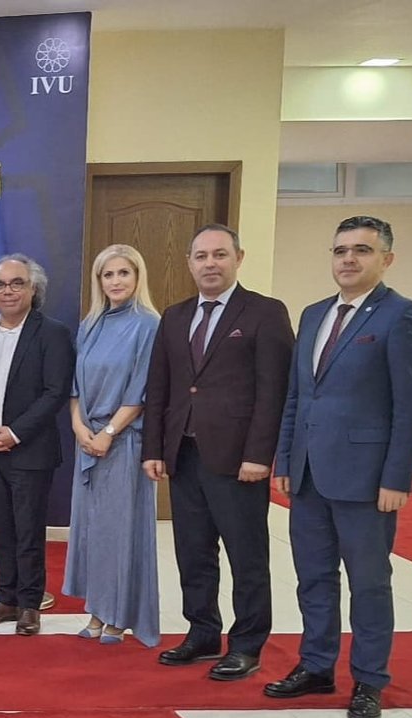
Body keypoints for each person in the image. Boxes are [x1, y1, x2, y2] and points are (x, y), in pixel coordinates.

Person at [265, 216, 412, 718]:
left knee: (369, 583)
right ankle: (317, 666)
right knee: (313, 578)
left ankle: (369, 679)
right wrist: (286, 459)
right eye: (340, 250)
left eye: (362, 250)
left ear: (387, 259)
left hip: (366, 479)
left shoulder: (401, 316)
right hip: (309, 475)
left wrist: (397, 478)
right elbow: (298, 396)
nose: (349, 259)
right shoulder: (314, 314)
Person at [142, 224, 293, 681]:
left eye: (220, 254)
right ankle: (202, 632)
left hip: (238, 460)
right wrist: (154, 448)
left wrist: (260, 454)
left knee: (246, 557)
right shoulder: (175, 316)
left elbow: (274, 391)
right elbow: (161, 387)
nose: (210, 263)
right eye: (201, 256)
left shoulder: (265, 313)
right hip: (184, 455)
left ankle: (247, 644)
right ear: (189, 263)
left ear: (238, 258)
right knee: (193, 551)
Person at [0, 254, 75, 637]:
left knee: (28, 531)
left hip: (30, 451)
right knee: (0, 530)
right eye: (0, 284)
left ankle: (29, 604)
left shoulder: (53, 333)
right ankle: (6, 598)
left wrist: (14, 433)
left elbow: (55, 392)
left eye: (17, 283)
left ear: (33, 289)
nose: (8, 291)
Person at [62, 244, 162, 647]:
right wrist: (79, 427)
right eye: (108, 275)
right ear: (98, 281)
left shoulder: (149, 324)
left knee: (120, 531)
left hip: (123, 442)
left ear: (138, 277)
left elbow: (143, 388)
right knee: (93, 531)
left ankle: (119, 614)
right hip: (87, 441)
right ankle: (98, 609)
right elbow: (74, 386)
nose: (116, 281)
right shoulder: (90, 324)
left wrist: (108, 432)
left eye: (124, 273)